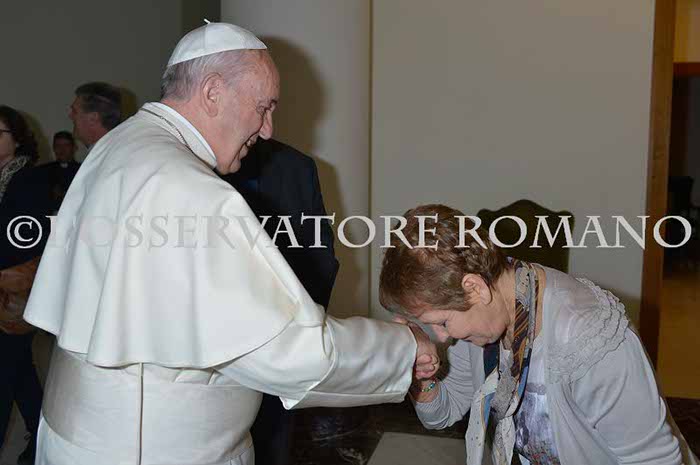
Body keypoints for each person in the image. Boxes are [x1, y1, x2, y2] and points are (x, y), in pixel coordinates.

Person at [23, 22, 439, 465]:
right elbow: (290, 352)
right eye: (263, 108)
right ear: (212, 93)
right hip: (156, 448)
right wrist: (404, 346)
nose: (267, 129)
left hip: (83, 433)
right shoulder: (189, 189)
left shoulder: (121, 146)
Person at [379, 204, 699, 465]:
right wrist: (422, 375)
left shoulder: (590, 335)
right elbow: (443, 413)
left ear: (474, 288)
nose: (443, 338)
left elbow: (655, 460)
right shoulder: (483, 317)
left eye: (443, 323)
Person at [221, 138, 339, 465]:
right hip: (218, 358)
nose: (266, 126)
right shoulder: (185, 167)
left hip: (282, 342)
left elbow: (322, 258)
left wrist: (301, 328)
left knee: (273, 443)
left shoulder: (296, 166)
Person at [0, 105, 45, 465]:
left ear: (16, 140)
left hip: (14, 292)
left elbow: (25, 238)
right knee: (20, 373)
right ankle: (41, 439)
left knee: (5, 374)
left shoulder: (28, 179)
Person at [33, 131, 80, 214]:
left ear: (74, 148)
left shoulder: (82, 170)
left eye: (66, 145)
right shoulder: (42, 171)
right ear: (54, 148)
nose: (62, 149)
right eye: (58, 146)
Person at [68, 82, 122, 148]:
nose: (70, 116)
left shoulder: (112, 152)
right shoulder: (111, 148)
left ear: (93, 118)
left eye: (74, 111)